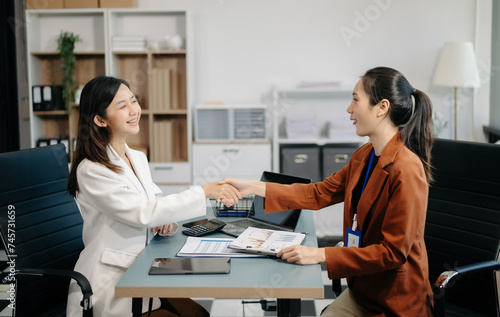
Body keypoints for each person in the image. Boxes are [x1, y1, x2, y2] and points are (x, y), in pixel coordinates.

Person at [223, 67, 435, 316]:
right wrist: (252, 186)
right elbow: (318, 193)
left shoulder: (407, 169)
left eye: (356, 99)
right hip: (363, 290)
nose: (349, 109)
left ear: (382, 107)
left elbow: (392, 253)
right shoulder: (364, 156)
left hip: (394, 301)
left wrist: (320, 254)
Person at [66, 75, 241, 317]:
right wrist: (203, 192)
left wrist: (165, 224)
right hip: (112, 282)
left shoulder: (137, 158)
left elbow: (156, 208)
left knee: (200, 314)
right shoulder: (91, 170)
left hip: (145, 268)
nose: (133, 110)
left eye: (133, 101)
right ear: (99, 119)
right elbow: (143, 213)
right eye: (122, 105)